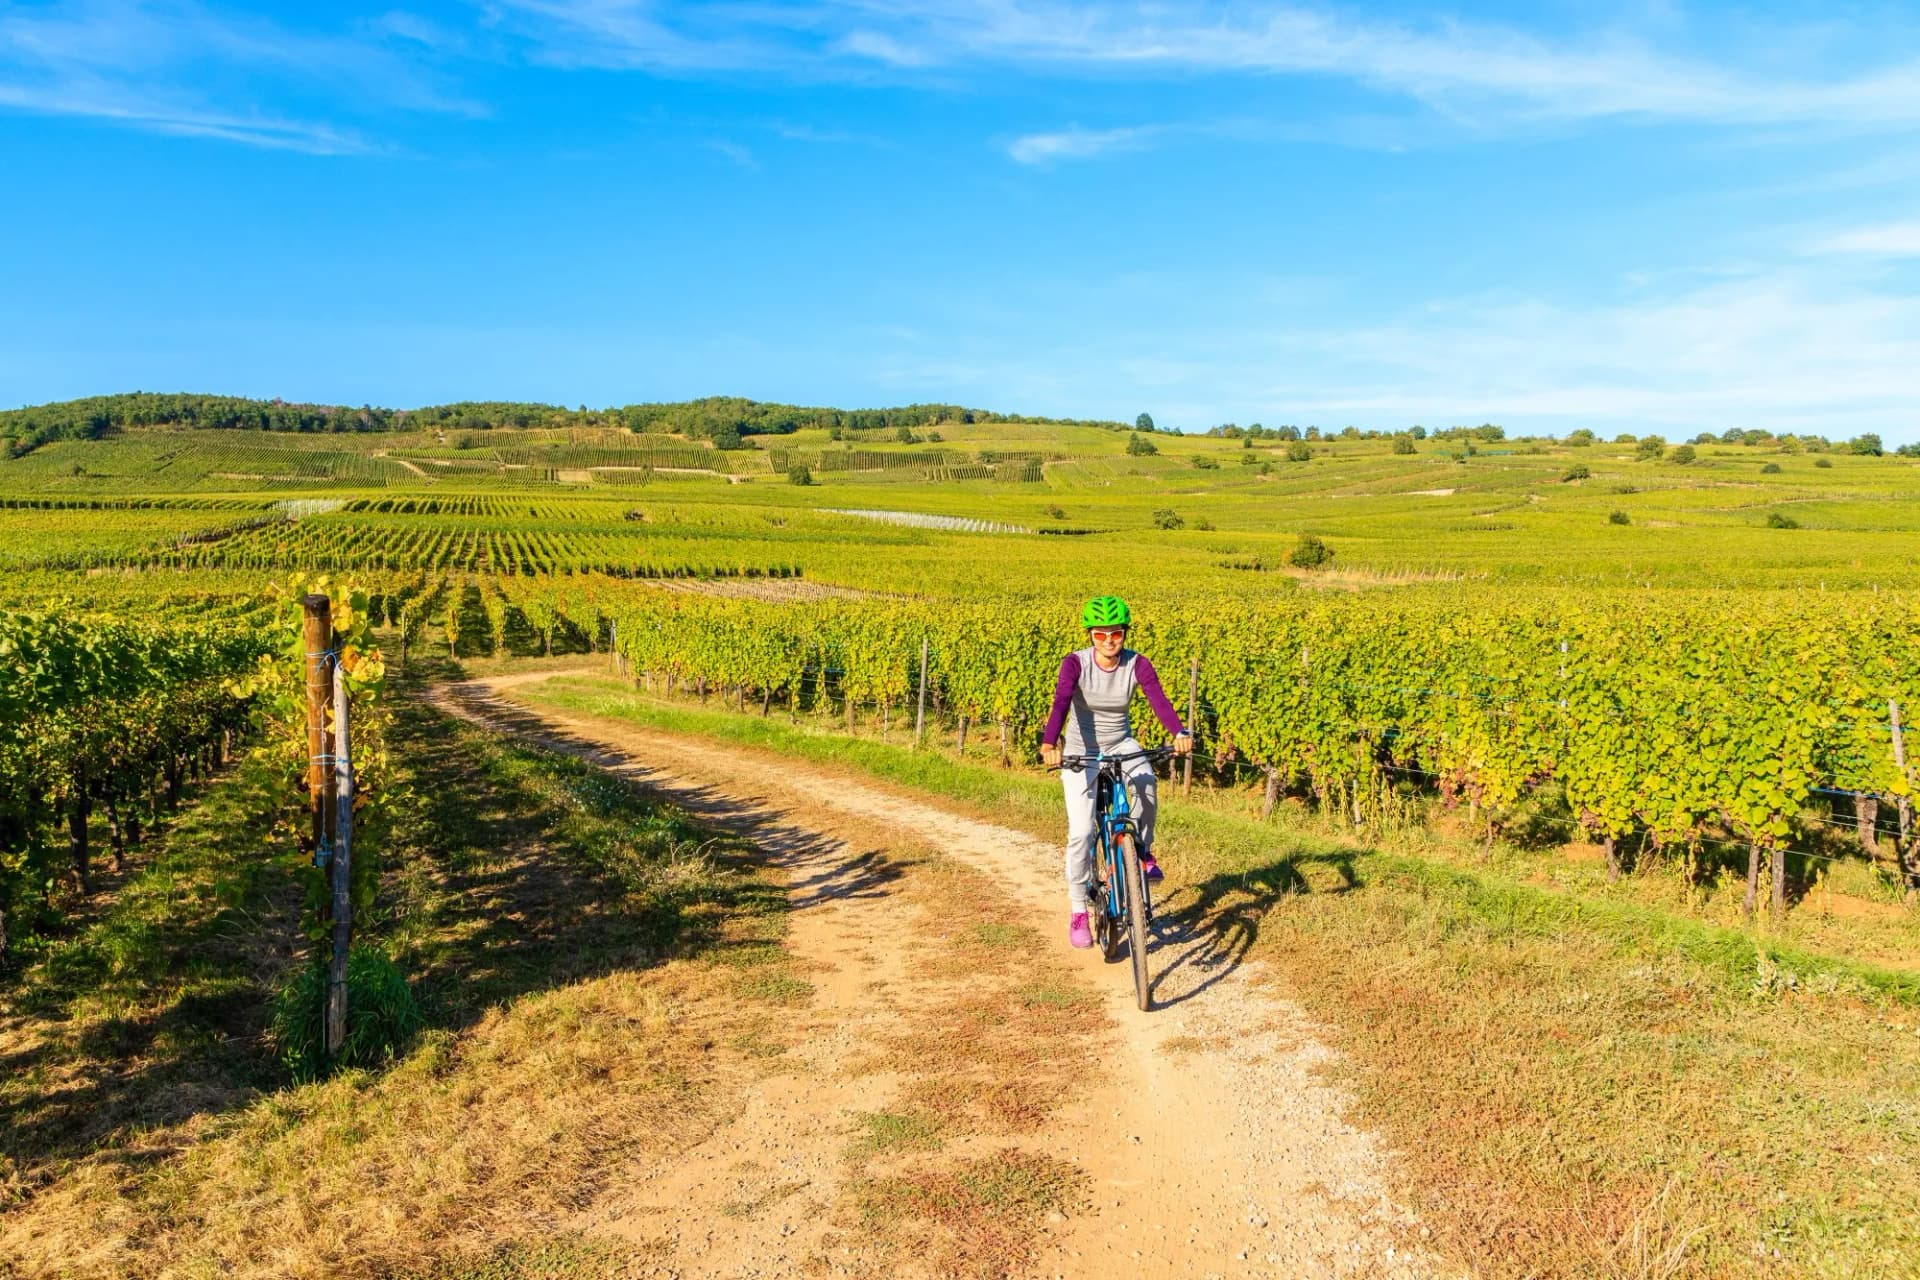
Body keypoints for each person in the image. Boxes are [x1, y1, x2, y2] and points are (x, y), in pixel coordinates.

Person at [1038, 596, 1192, 949]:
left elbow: (1159, 700)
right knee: (1081, 832)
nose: (1109, 640)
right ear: (1090, 635)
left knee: (1147, 783)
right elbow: (1062, 701)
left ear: (1125, 633)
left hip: (1121, 743)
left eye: (1116, 633)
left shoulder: (1137, 664)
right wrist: (1050, 745)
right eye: (1101, 634)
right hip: (1081, 751)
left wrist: (1179, 733)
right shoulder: (1075, 664)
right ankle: (1079, 910)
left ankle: (1142, 853)